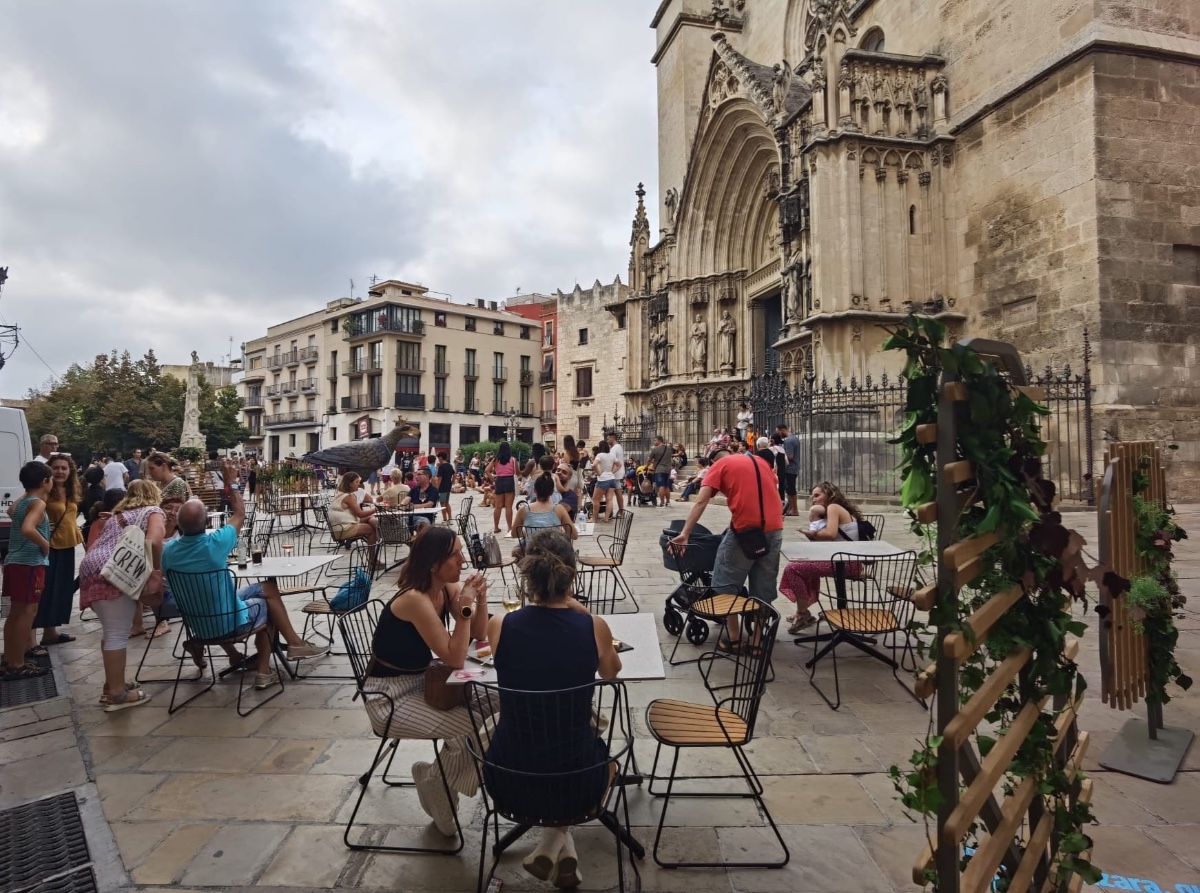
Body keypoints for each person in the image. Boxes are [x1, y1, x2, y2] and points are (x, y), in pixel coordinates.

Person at [485, 529, 621, 887]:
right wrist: (583, 612)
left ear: (526, 575)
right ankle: (555, 838)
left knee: (561, 751)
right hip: (575, 783)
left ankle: (554, 846)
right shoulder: (593, 626)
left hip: (507, 776)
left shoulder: (500, 625)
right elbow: (610, 673)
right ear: (571, 576)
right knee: (611, 763)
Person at [362, 525, 490, 836]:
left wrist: (478, 598)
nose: (463, 560)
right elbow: (455, 657)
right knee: (472, 730)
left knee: (498, 706)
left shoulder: (443, 589)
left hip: (424, 681)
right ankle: (437, 783)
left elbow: (479, 635)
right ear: (434, 563)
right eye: (455, 555)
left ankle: (436, 775)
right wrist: (464, 609)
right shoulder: (415, 599)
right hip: (389, 697)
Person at [161, 465, 328, 688]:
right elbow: (240, 513)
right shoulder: (214, 544)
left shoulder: (168, 552)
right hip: (228, 624)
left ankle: (294, 644)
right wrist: (233, 484)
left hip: (197, 627)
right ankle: (264, 671)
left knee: (267, 587)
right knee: (266, 606)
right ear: (207, 522)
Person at [669, 450, 784, 646]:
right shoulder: (759, 461)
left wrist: (685, 533)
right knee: (763, 586)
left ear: (713, 461)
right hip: (774, 529)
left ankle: (734, 639)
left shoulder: (718, 466)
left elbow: (701, 500)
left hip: (744, 531)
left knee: (725, 583)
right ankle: (757, 642)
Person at [78, 480, 165, 710]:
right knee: (117, 634)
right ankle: (117, 694)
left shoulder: (117, 515)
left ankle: (112, 684)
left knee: (111, 631)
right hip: (116, 573)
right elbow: (154, 541)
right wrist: (156, 571)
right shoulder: (153, 511)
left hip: (91, 569)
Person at [779, 482, 866, 634]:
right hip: (846, 561)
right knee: (801, 564)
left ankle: (803, 613)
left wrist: (809, 533)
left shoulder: (833, 507)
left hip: (846, 563)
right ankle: (803, 611)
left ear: (830, 494)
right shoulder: (833, 510)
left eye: (817, 495)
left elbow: (830, 534)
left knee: (793, 569)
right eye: (813, 496)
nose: (814, 499)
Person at [3, 463, 54, 681]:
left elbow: (10, 510)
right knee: (28, 613)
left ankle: (10, 658)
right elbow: (27, 528)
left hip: (14, 562)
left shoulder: (23, 501)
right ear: (45, 482)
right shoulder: (38, 504)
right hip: (30, 564)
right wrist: (45, 544)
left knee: (15, 613)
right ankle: (17, 664)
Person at [34, 454, 84, 647]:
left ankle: (50, 633)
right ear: (49, 470)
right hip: (49, 547)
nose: (60, 472)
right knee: (44, 591)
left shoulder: (70, 491)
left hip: (67, 545)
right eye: (56, 468)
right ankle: (32, 635)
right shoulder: (44, 492)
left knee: (61, 591)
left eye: (64, 468)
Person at [512, 470, 576, 555]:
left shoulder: (524, 510)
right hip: (554, 553)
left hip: (532, 553)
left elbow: (514, 534)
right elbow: (574, 535)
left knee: (515, 552)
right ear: (552, 492)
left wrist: (530, 531)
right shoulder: (559, 509)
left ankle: (528, 567)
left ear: (534, 490)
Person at [327, 472, 379, 550]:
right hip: (343, 529)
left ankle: (379, 532)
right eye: (356, 482)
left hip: (338, 527)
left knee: (370, 518)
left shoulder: (341, 493)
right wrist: (376, 509)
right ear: (349, 484)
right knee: (371, 530)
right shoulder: (348, 497)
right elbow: (360, 514)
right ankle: (372, 559)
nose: (359, 484)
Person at [486, 442, 518, 535]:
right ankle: (509, 527)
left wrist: (493, 479)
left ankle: (496, 527)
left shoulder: (495, 460)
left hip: (499, 481)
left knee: (498, 506)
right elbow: (517, 472)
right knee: (508, 506)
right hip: (509, 481)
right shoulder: (513, 460)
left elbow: (487, 471)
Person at [777, 423, 802, 517]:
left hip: (790, 467)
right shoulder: (794, 438)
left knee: (791, 490)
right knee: (789, 489)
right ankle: (791, 508)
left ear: (782, 430)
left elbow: (790, 456)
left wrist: (780, 456)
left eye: (779, 432)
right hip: (793, 467)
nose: (779, 434)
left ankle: (794, 510)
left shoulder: (789, 441)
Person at [591, 441, 618, 523]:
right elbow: (619, 464)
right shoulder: (612, 456)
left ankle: (594, 518)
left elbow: (594, 464)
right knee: (609, 500)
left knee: (595, 500)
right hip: (612, 479)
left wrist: (598, 473)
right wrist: (612, 472)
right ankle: (606, 518)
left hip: (603, 479)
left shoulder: (600, 455)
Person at [648, 436, 674, 508]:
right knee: (666, 486)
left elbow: (649, 460)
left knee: (661, 486)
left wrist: (647, 466)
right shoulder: (669, 449)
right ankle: (668, 502)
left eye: (655, 440)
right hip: (668, 469)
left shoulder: (655, 449)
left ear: (659, 441)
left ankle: (662, 502)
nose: (654, 442)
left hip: (659, 469)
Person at [605, 432, 625, 515]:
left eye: (608, 438)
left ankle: (619, 510)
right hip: (618, 472)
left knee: (615, 492)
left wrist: (610, 472)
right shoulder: (619, 447)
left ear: (612, 438)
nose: (607, 440)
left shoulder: (614, 449)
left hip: (615, 473)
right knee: (617, 491)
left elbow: (612, 461)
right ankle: (620, 510)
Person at [436, 452, 455, 522]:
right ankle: (449, 517)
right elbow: (454, 474)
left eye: (438, 458)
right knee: (446, 502)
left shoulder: (441, 467)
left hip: (442, 486)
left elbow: (439, 478)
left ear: (441, 458)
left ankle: (445, 518)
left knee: (442, 503)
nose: (438, 459)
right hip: (448, 485)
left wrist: (437, 487)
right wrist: (452, 482)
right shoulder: (449, 465)